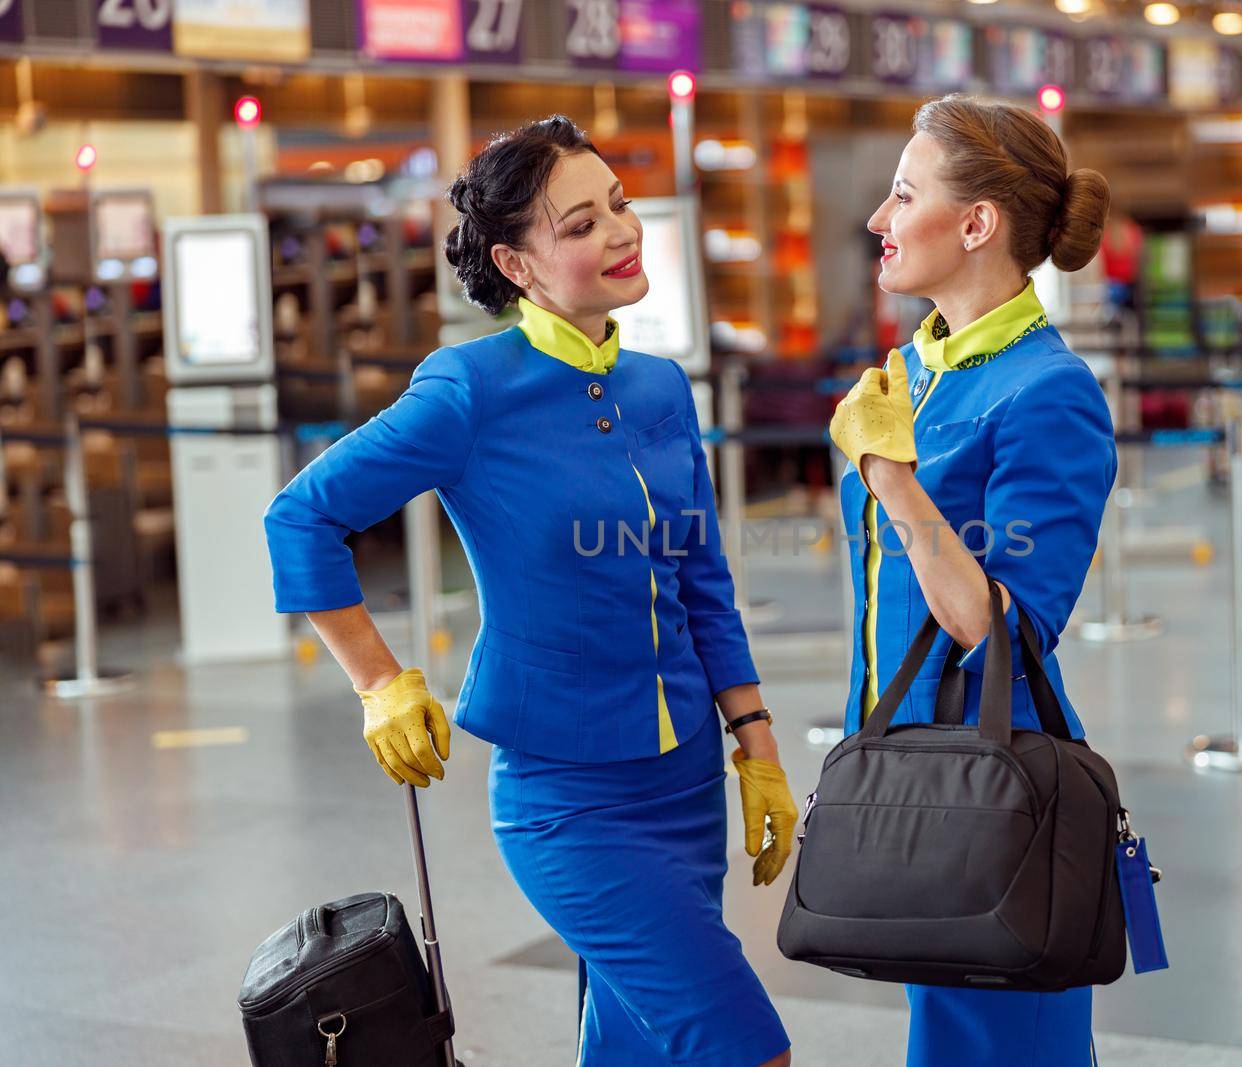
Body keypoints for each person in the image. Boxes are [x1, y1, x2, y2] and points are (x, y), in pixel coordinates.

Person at [263, 116, 795, 1067]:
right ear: (516, 263)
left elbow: (701, 576)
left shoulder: (661, 388)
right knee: (745, 1047)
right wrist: (380, 680)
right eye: (582, 224)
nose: (622, 233)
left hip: (685, 785)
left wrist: (755, 740)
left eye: (620, 207)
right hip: (567, 800)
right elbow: (301, 515)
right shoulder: (468, 389)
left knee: (635, 1046)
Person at [826, 94, 1117, 1067]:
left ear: (976, 222)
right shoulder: (914, 370)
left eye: (903, 194)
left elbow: (1008, 628)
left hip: (994, 791)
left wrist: (891, 482)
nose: (878, 217)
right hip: (909, 766)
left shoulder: (1048, 391)